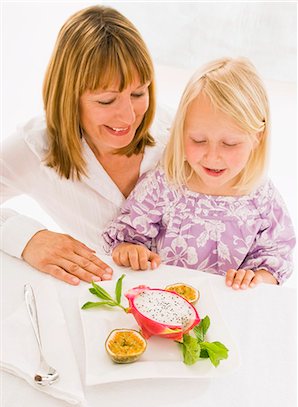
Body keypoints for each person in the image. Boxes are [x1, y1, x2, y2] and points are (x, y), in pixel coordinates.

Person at [0, 5, 171, 285]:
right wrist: (28, 238)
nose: (129, 116)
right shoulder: (37, 147)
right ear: (70, 97)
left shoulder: (177, 132)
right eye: (106, 100)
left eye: (139, 93)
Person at [103, 57, 296, 289]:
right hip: (165, 302)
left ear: (258, 137)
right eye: (198, 140)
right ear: (181, 132)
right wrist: (130, 251)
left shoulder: (261, 196)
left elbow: (277, 254)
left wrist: (258, 277)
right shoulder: (164, 184)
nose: (212, 156)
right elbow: (128, 236)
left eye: (230, 144)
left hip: (228, 310)